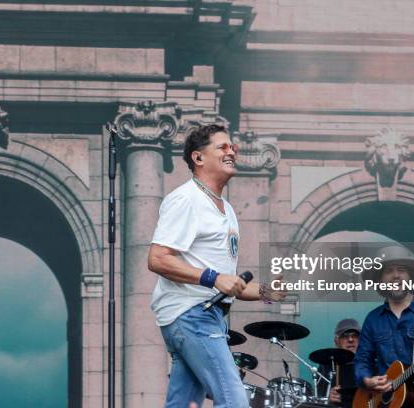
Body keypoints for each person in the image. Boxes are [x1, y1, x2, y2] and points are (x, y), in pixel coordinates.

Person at [148, 124, 283, 408]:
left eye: (232, 147)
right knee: (235, 402)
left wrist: (267, 292)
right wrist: (213, 278)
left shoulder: (227, 209)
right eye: (222, 147)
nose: (231, 151)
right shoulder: (186, 199)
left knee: (182, 404)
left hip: (205, 315)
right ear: (198, 158)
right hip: (193, 315)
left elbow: (229, 284)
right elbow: (158, 259)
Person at [354, 245, 414, 408]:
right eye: (389, 271)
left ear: (410, 277)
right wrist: (367, 380)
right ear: (380, 279)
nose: (396, 276)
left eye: (402, 270)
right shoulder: (373, 319)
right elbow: (362, 359)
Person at [316, 318, 360, 408]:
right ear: (336, 341)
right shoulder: (325, 367)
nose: (350, 339)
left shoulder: (371, 364)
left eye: (355, 335)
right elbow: (318, 400)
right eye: (345, 336)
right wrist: (328, 399)